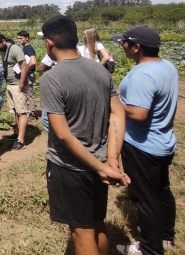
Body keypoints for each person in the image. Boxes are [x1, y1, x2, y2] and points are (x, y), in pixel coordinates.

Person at [39, 16, 130, 255]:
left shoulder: (52, 78)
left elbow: (63, 135)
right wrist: (110, 160)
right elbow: (118, 115)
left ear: (49, 44)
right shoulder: (99, 69)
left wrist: (103, 168)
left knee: (81, 232)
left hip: (71, 167)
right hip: (100, 161)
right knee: (97, 223)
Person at [112, 26, 178, 255]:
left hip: (142, 145)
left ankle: (150, 248)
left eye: (125, 43)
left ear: (136, 47)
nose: (122, 46)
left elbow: (139, 113)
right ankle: (166, 235)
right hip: (163, 141)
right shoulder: (166, 66)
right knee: (161, 190)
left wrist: (115, 102)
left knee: (145, 199)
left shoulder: (142, 74)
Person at [0, 33, 28, 150]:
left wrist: (21, 84)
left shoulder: (15, 49)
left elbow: (24, 67)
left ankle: (21, 140)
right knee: (16, 110)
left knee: (22, 112)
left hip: (17, 85)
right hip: (10, 84)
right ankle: (17, 133)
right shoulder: (3, 50)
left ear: (4, 40)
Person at [17, 31, 38, 120]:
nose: (19, 40)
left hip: (29, 75)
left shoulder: (28, 48)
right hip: (28, 74)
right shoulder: (25, 48)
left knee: (29, 94)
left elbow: (33, 62)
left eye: (21, 38)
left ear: (27, 38)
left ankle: (32, 115)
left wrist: (25, 70)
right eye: (18, 38)